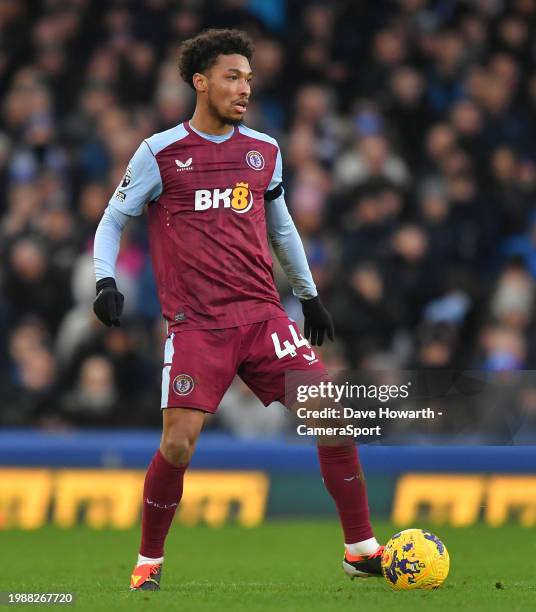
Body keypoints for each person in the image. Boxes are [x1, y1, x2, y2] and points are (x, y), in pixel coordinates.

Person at [92, 28, 383, 591]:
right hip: (198, 326)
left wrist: (308, 294)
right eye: (232, 76)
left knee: (334, 416)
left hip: (262, 317)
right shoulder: (160, 152)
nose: (244, 88)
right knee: (177, 444)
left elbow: (282, 226)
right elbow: (111, 220)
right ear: (200, 83)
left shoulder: (265, 151)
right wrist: (105, 282)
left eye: (248, 78)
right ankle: (148, 562)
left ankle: (360, 548)